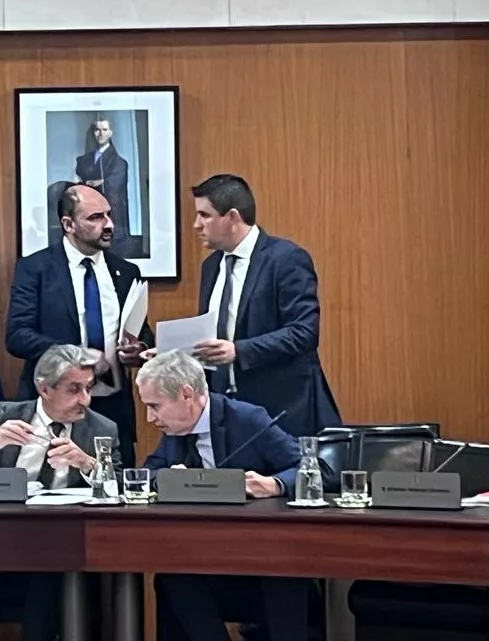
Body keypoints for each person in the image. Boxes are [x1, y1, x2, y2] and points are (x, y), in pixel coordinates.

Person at [0, 344, 120, 641]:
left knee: (49, 580)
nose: (85, 399)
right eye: (74, 389)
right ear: (44, 389)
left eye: (88, 388)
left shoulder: (102, 429)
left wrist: (88, 463)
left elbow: (120, 488)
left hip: (57, 540)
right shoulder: (1, 414)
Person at [137, 349, 327, 641]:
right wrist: (167, 478)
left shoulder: (246, 419)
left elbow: (318, 468)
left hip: (262, 553)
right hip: (202, 554)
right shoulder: (174, 430)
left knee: (284, 578)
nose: (150, 418)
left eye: (154, 406)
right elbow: (146, 474)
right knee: (172, 577)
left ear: (187, 394)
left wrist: (275, 483)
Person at [6, 183, 152, 467]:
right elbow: (18, 336)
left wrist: (139, 349)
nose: (108, 225)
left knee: (115, 481)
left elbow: (141, 331)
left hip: (112, 405)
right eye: (95, 217)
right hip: (57, 402)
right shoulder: (36, 269)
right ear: (68, 224)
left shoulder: (126, 271)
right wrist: (78, 356)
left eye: (108, 215)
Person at [190, 174, 341, 438]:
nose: (196, 225)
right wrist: (173, 351)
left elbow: (304, 332)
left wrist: (239, 350)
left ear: (232, 217)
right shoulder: (211, 266)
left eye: (205, 215)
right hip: (226, 412)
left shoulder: (286, 259)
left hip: (283, 411)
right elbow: (212, 337)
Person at [74, 117, 130, 241]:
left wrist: (101, 182)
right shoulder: (83, 160)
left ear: (110, 133)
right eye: (97, 130)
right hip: (88, 214)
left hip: (110, 217)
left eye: (104, 130)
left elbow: (114, 185)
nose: (100, 134)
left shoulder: (119, 163)